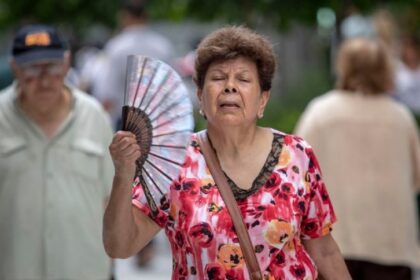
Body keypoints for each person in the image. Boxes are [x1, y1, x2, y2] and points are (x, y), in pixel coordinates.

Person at [103, 25, 351, 279]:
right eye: (218, 78)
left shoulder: (297, 154)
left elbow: (324, 250)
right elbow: (120, 246)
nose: (230, 86)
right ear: (200, 95)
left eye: (243, 79)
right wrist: (123, 174)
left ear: (263, 99)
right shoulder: (174, 160)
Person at [295, 37, 420, 280]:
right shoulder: (400, 118)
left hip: (332, 244)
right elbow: (417, 178)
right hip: (391, 243)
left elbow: (296, 174)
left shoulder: (320, 113)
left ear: (343, 67)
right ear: (384, 68)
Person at [0, 24, 114, 279]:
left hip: (85, 269)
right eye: (32, 68)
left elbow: (112, 198)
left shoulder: (95, 116)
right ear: (15, 68)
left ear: (66, 64)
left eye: (51, 66)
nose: (43, 79)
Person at [97, 0, 175, 130]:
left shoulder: (116, 47)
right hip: (158, 119)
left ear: (123, 16)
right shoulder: (163, 46)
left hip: (126, 120)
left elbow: (107, 92)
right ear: (146, 16)